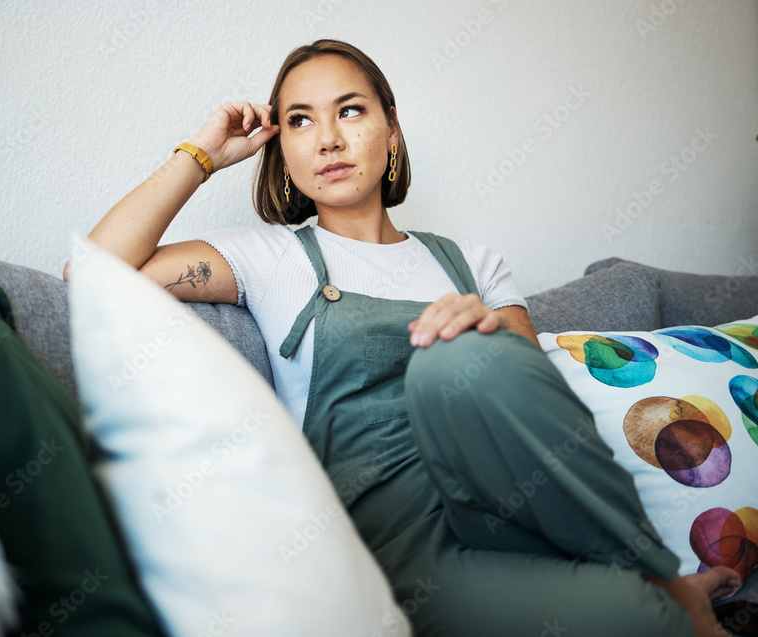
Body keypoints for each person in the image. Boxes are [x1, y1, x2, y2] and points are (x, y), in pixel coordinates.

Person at [67, 39, 738, 636]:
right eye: (300, 121)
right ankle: (669, 592)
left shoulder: (473, 262)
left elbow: (539, 418)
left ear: (391, 129)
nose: (327, 138)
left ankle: (665, 575)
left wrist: (481, 339)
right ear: (283, 151)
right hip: (408, 549)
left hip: (509, 501)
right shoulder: (271, 258)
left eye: (350, 110)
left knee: (459, 358)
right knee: (648, 623)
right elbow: (91, 272)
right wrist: (202, 156)